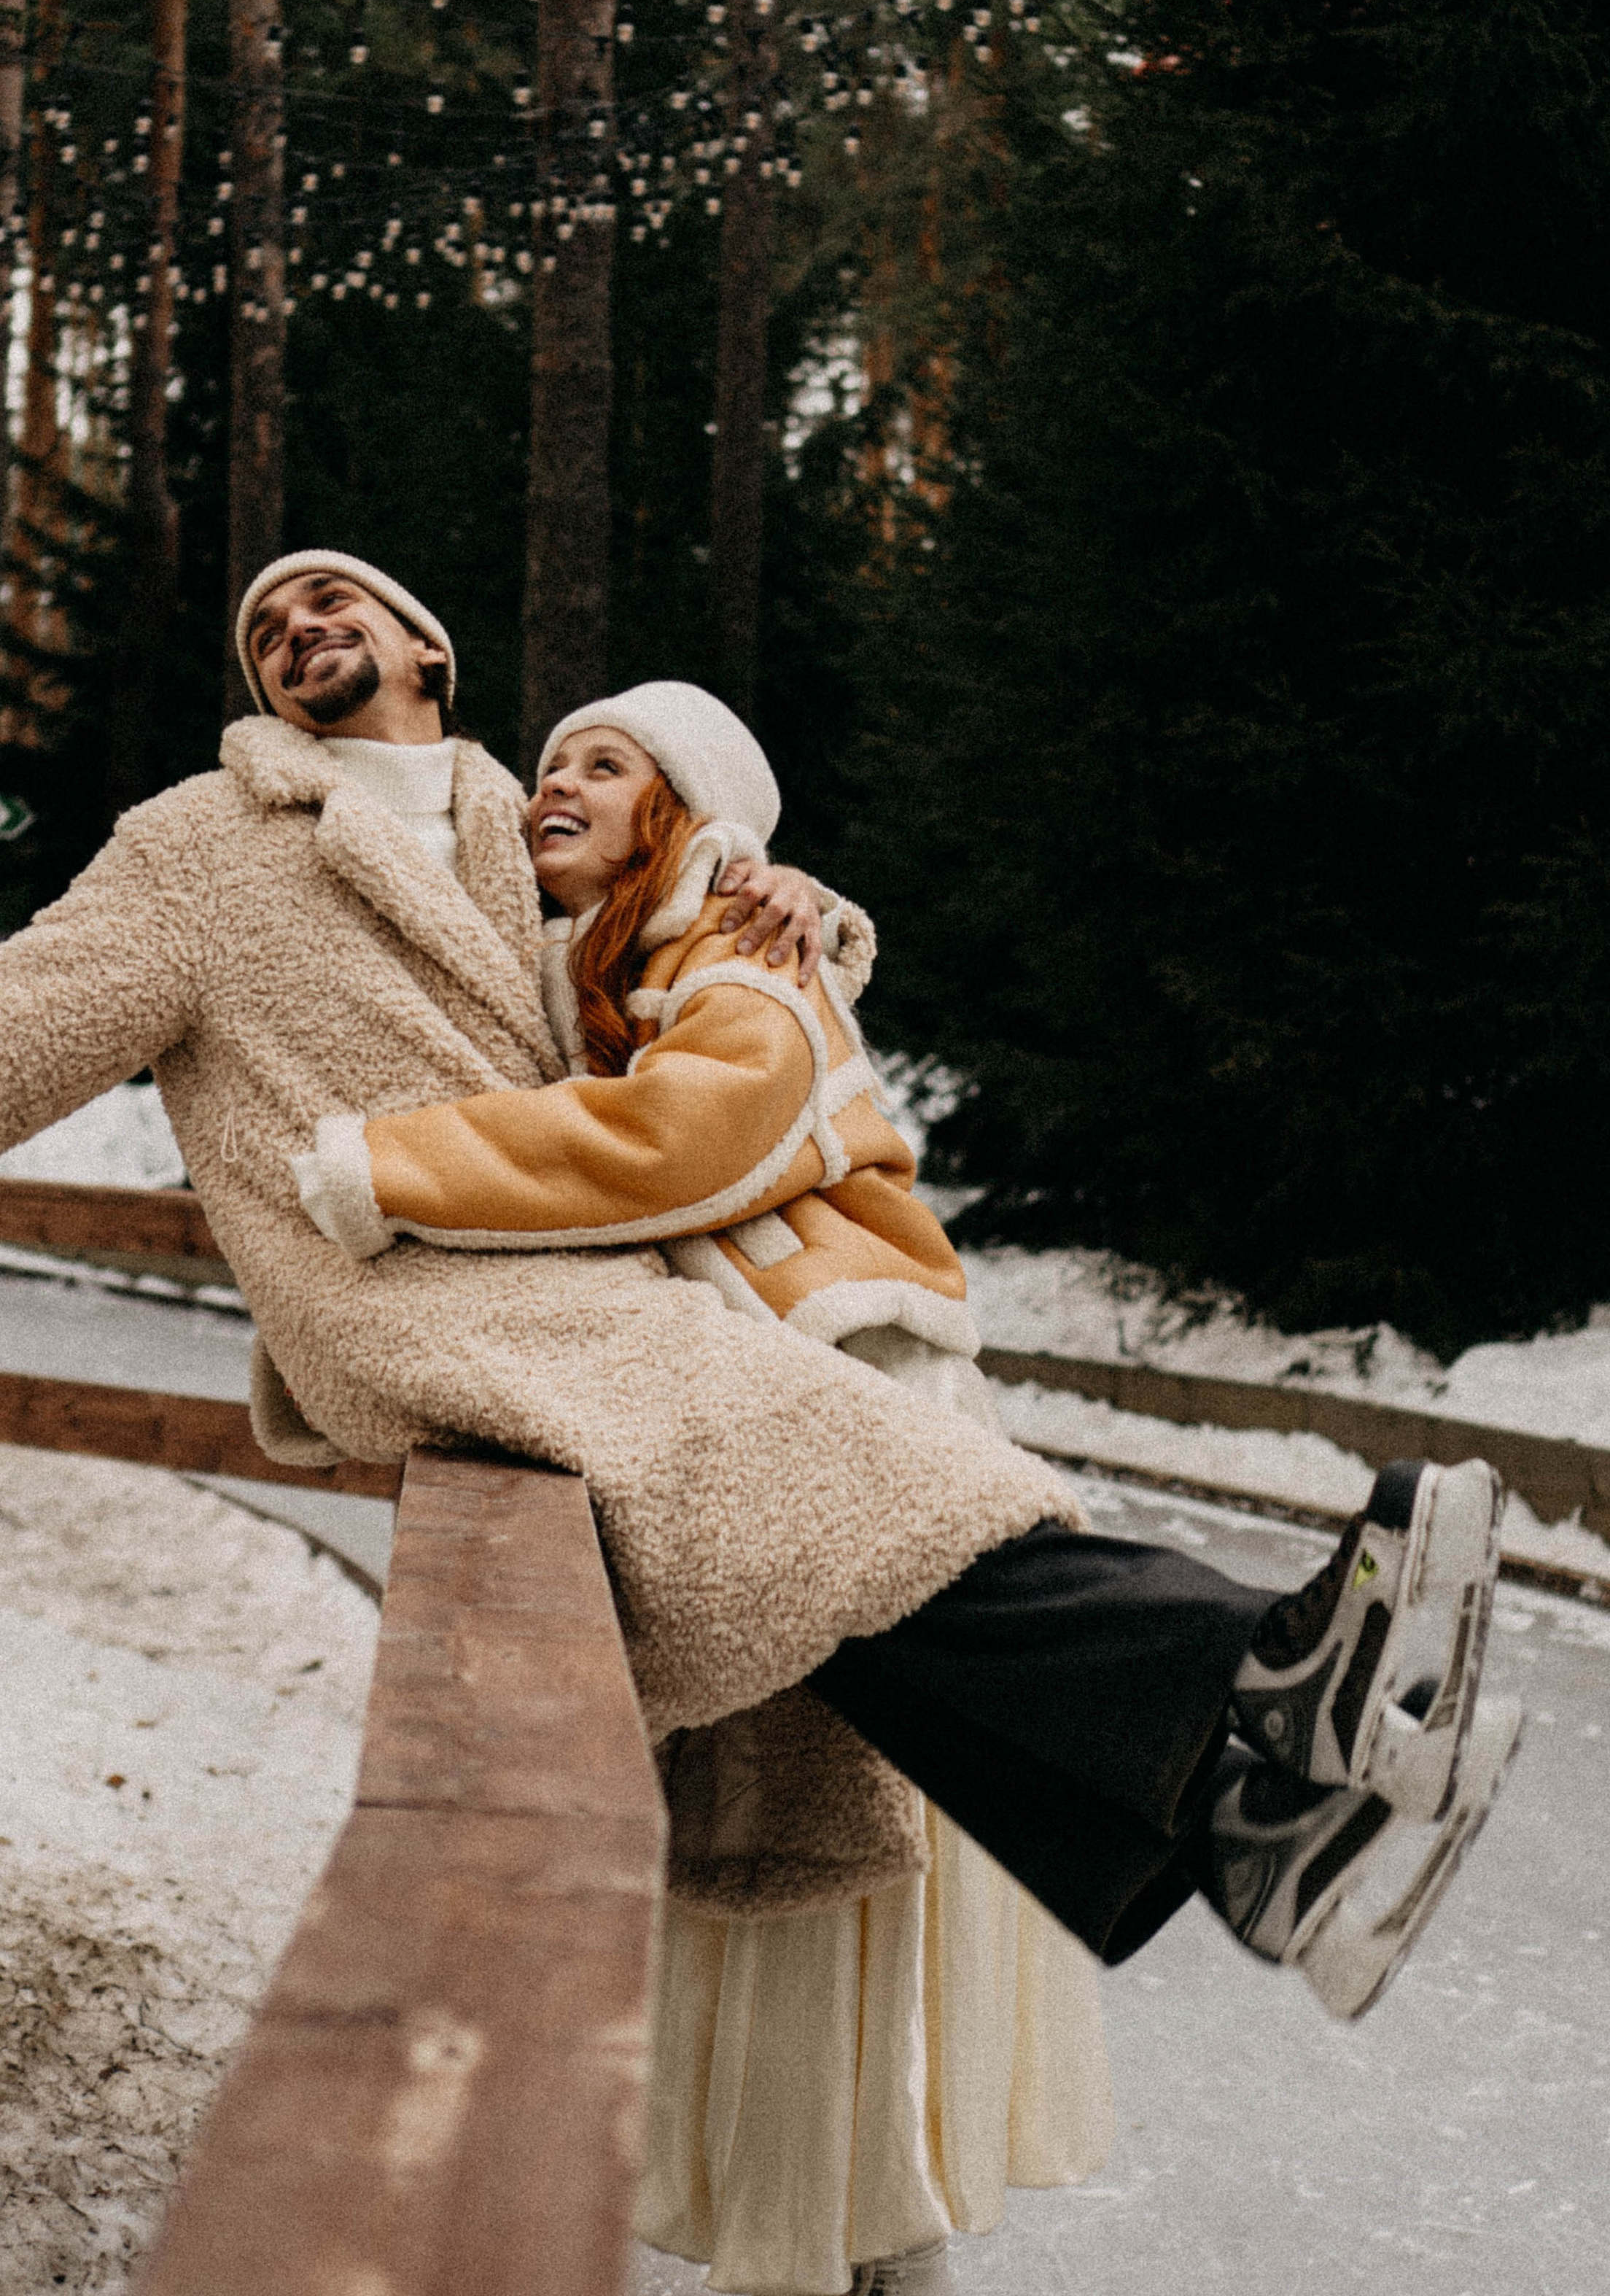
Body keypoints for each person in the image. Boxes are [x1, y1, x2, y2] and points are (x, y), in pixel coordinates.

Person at [0, 552, 1520, 2281]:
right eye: (266, 626)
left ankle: (1259, 1849)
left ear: (428, 645)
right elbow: (26, 1023)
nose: (295, 628)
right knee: (832, 1467)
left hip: (564, 1280)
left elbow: (667, 927)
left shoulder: (514, 822)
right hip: (400, 1285)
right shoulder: (194, 848)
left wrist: (780, 891)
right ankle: (1260, 1665)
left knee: (823, 1538)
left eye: (335, 600)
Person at [295, 681, 1116, 2296]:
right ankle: (856, 2226)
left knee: (831, 1839)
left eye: (603, 765)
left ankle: (835, 2237)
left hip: (852, 1400)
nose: (556, 783)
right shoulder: (595, 965)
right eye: (546, 764)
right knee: (781, 1832)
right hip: (749, 1429)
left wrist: (379, 1173)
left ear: (688, 813)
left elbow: (676, 1140)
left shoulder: (742, 948)